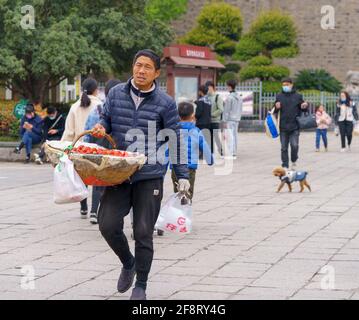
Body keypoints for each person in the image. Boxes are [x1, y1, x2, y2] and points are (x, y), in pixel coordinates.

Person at [92, 49, 190, 300]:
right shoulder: (115, 93)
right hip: (118, 172)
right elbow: (107, 120)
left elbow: (175, 139)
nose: (141, 71)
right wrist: (101, 128)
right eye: (138, 65)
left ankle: (141, 286)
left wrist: (183, 176)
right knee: (108, 224)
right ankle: (128, 262)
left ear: (156, 73)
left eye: (147, 67)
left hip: (149, 174)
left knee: (143, 231)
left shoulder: (165, 103)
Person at [62, 78, 103, 219]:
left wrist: (64, 148)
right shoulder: (100, 105)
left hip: (79, 148)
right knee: (97, 179)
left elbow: (69, 131)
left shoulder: (74, 107)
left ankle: (83, 208)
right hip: (96, 148)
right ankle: (94, 211)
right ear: (96, 90)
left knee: (83, 178)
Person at [83, 79, 121, 225]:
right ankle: (110, 214)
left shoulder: (97, 109)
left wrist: (86, 150)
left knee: (98, 181)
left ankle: (94, 211)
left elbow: (87, 131)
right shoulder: (118, 110)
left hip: (96, 149)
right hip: (113, 150)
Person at [171, 102, 213, 200]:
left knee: (177, 193)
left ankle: (177, 212)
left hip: (175, 168)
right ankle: (185, 212)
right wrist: (210, 160)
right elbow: (205, 147)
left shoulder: (173, 131)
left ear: (178, 115)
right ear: (193, 116)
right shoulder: (196, 131)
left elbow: (168, 149)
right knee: (188, 194)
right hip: (190, 168)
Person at [274, 77, 309, 169]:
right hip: (283, 126)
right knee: (284, 147)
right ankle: (285, 165)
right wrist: (276, 107)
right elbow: (274, 110)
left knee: (294, 145)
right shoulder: (279, 96)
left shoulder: (298, 96)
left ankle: (294, 159)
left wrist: (304, 106)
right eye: (283, 85)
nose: (285, 86)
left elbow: (303, 108)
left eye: (287, 85)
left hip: (294, 126)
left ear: (291, 85)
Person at [222, 79, 243, 159]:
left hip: (230, 119)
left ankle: (230, 153)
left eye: (227, 86)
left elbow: (226, 110)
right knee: (234, 136)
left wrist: (224, 120)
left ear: (230, 87)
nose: (226, 88)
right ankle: (234, 153)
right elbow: (241, 109)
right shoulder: (239, 97)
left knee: (230, 136)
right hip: (237, 119)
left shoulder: (229, 98)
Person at [205, 81, 224, 156]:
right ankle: (211, 152)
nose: (208, 89)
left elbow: (220, 109)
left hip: (215, 121)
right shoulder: (206, 97)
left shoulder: (217, 97)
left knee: (216, 137)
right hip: (207, 121)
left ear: (212, 87)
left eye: (209, 87)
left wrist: (212, 115)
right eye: (207, 87)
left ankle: (220, 151)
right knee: (209, 137)